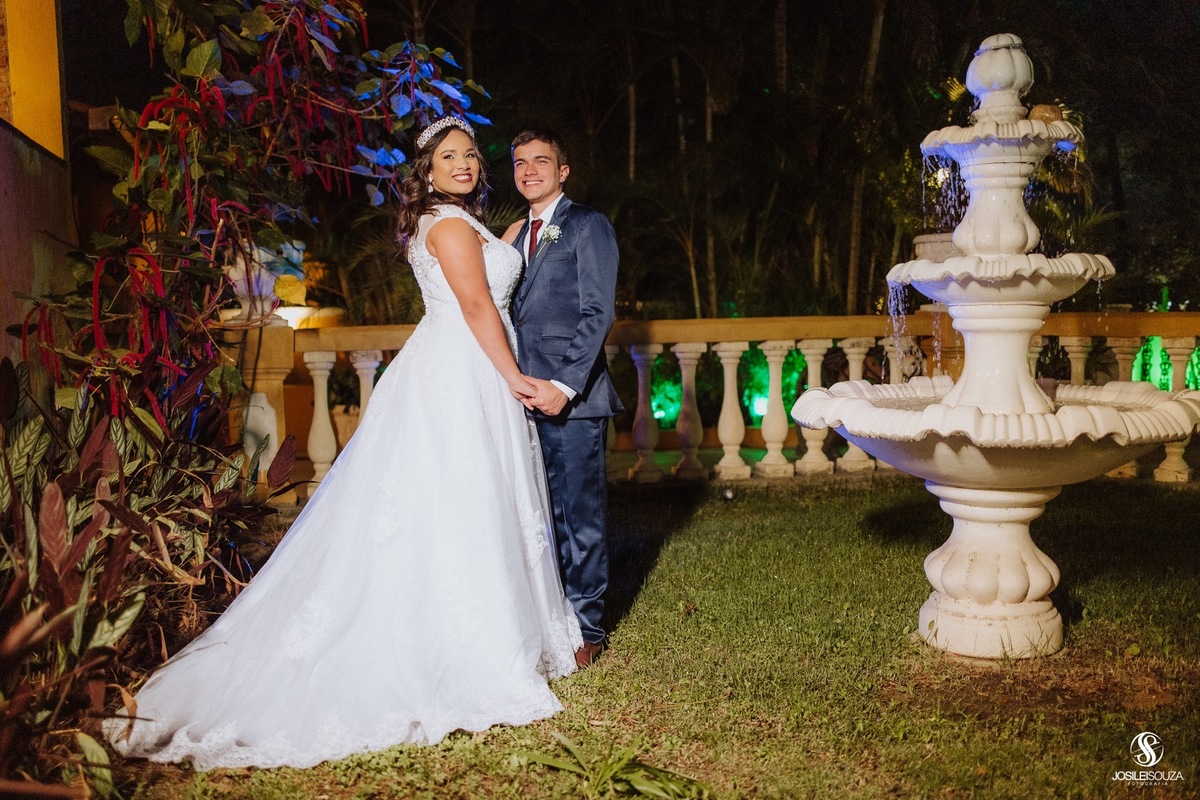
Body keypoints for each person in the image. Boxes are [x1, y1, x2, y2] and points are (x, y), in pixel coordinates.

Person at [103, 116, 583, 770]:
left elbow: (490, 278)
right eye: (449, 156)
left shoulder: (447, 222)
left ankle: (471, 628)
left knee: (450, 502)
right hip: (471, 369)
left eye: (471, 154)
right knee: (465, 498)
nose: (464, 163)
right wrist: (514, 378)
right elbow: (476, 306)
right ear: (428, 170)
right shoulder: (446, 224)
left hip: (453, 367)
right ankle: (469, 647)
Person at [504, 128, 622, 668]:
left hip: (574, 399)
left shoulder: (587, 226)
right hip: (518, 395)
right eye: (521, 162)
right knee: (537, 514)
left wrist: (564, 386)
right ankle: (546, 617)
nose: (530, 170)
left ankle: (588, 627)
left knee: (581, 516)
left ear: (563, 171)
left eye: (541, 161)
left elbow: (598, 313)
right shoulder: (511, 236)